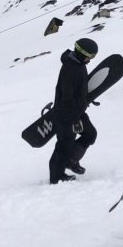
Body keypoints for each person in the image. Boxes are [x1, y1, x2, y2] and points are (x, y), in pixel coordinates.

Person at [48, 37, 99, 184]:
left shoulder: (79, 64)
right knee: (64, 144)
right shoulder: (70, 69)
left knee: (90, 134)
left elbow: (79, 88)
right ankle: (56, 177)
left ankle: (71, 160)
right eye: (90, 56)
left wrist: (85, 98)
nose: (91, 59)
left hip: (77, 111)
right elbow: (66, 97)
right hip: (66, 114)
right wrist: (73, 118)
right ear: (83, 53)